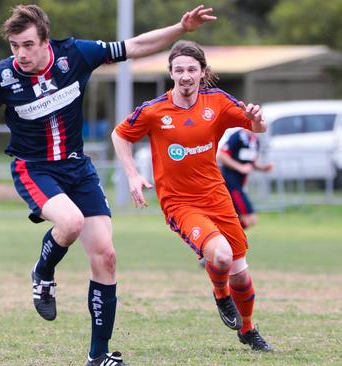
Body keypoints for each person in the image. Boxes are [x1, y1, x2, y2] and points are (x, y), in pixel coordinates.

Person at [0, 5, 216, 365]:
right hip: (34, 169)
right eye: (14, 46)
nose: (20, 54)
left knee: (107, 257)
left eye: (28, 44)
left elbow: (135, 46)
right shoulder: (3, 76)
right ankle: (43, 272)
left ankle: (98, 356)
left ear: (45, 41)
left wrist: (180, 28)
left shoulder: (76, 54)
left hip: (77, 168)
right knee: (69, 223)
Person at [112, 40, 273, 352]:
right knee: (222, 256)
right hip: (181, 203)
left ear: (203, 72)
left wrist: (255, 118)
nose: (185, 76)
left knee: (241, 274)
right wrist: (132, 175)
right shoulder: (154, 111)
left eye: (191, 69)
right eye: (179, 70)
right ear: (171, 73)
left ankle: (248, 330)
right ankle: (220, 294)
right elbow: (120, 134)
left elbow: (259, 127)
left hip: (217, 196)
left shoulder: (218, 102)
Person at [218, 128, 273, 229]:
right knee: (249, 219)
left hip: (241, 185)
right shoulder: (238, 136)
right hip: (231, 184)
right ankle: (223, 234)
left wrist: (263, 168)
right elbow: (222, 155)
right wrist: (240, 167)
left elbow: (250, 162)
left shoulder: (255, 140)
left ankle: (225, 234)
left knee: (249, 220)